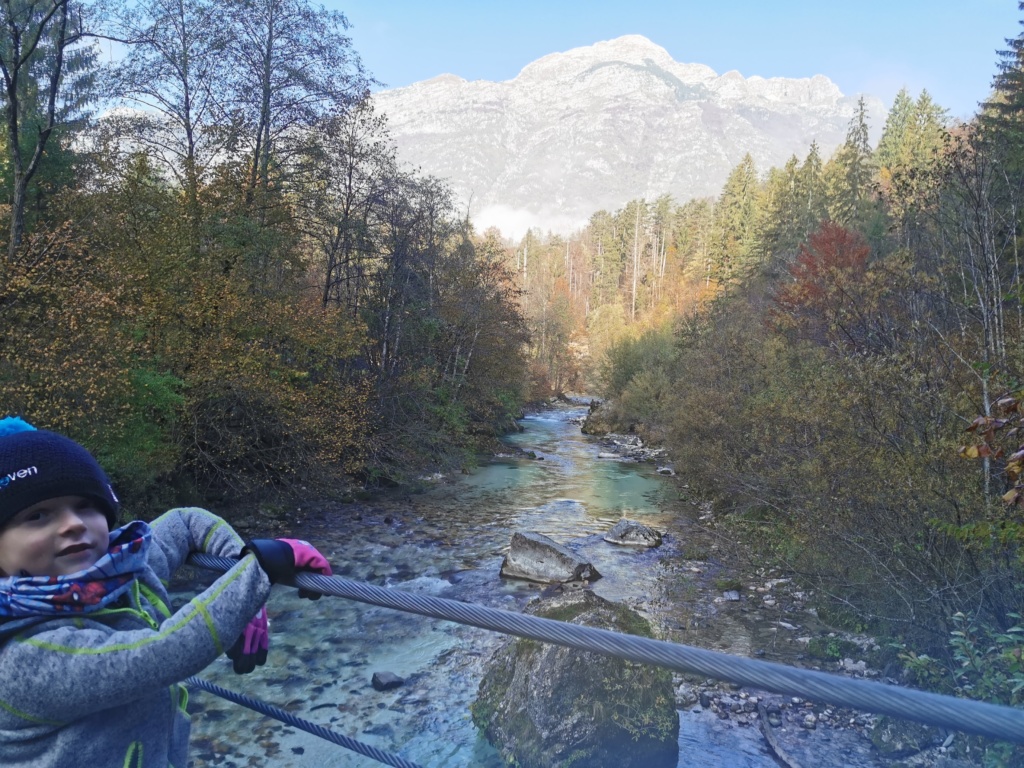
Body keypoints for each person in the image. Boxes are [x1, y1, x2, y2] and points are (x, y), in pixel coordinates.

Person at [0, 416, 333, 768]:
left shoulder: (118, 571)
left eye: (84, 504)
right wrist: (260, 570)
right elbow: (158, 653)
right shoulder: (22, 658)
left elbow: (185, 521)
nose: (73, 523)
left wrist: (240, 570)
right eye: (37, 515)